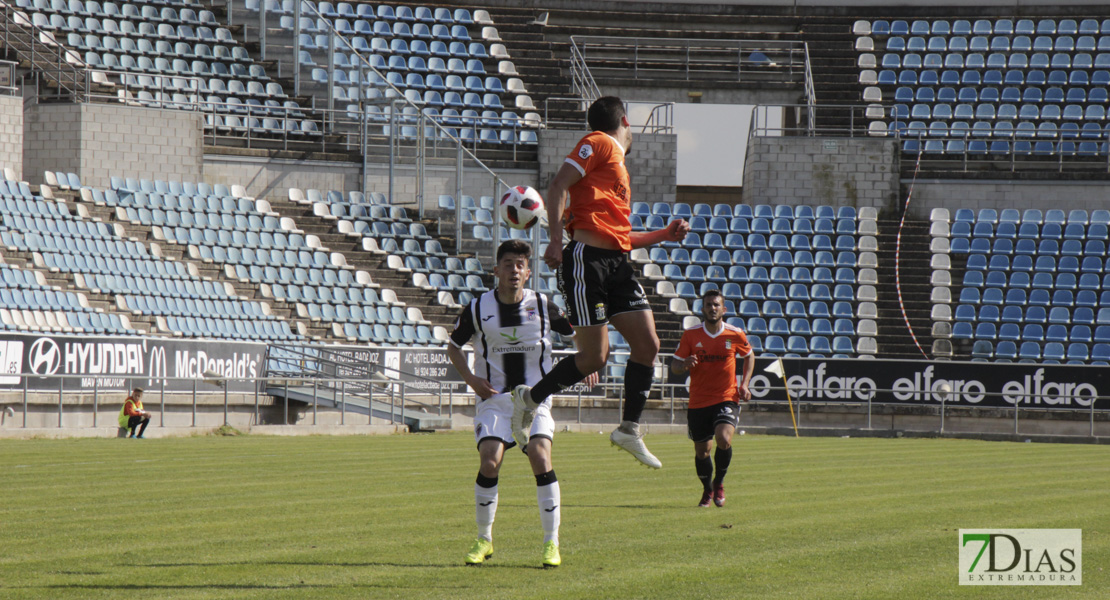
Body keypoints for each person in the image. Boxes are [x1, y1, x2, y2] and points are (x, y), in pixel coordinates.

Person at [510, 96, 690, 470]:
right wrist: (557, 240)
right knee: (596, 357)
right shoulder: (602, 142)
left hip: (615, 262)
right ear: (625, 121)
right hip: (586, 263)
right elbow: (557, 185)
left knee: (648, 343)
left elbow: (621, 236)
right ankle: (529, 400)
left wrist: (664, 234)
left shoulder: (616, 168)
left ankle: (628, 428)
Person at [447, 240, 595, 569]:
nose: (514, 269)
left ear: (528, 272)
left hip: (535, 399)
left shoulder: (544, 306)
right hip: (495, 399)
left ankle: (551, 544)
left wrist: (591, 362)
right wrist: (472, 381)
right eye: (508, 263)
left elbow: (579, 335)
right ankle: (484, 539)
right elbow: (453, 347)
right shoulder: (476, 308)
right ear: (496, 270)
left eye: (520, 264)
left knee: (541, 457)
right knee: (489, 462)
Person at [670, 289, 754, 507]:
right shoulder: (691, 335)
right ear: (702, 309)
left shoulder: (735, 334)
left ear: (723, 309)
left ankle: (719, 483)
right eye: (708, 305)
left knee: (724, 439)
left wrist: (744, 384)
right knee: (702, 451)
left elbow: (749, 355)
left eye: (716, 305)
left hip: (727, 397)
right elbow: (675, 365)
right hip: (698, 401)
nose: (712, 308)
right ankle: (707, 490)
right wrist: (684, 365)